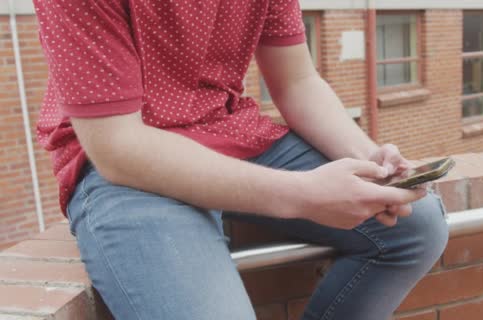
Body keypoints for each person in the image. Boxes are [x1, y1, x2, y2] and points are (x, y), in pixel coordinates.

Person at [33, 0, 449, 319]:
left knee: (417, 226)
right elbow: (117, 146)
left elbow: (297, 81)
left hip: (228, 128)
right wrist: (303, 195)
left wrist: (371, 160)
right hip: (129, 167)